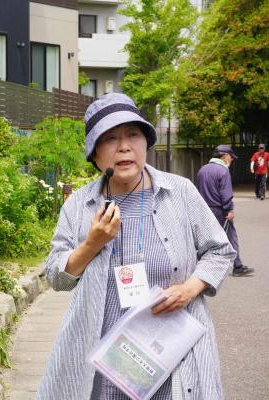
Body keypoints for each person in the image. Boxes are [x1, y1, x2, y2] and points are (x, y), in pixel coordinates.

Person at [37, 93, 235, 400]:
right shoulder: (79, 205)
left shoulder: (179, 192)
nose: (124, 146)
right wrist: (92, 243)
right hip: (106, 357)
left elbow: (220, 251)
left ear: (145, 143)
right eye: (111, 138)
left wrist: (191, 288)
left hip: (171, 352)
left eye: (133, 134)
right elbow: (56, 277)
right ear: (95, 153)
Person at [196, 145, 254, 277]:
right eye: (231, 157)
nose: (232, 159)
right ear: (224, 156)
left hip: (203, 209)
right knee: (230, 236)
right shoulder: (223, 170)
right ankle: (237, 267)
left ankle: (201, 267)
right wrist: (229, 210)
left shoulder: (202, 169)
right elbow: (225, 193)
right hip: (219, 210)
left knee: (205, 238)